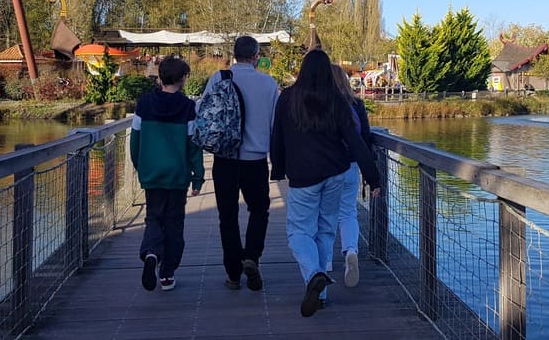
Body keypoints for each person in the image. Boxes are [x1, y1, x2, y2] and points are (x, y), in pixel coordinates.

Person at [270, 50, 381, 317]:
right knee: (325, 231)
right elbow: (356, 141)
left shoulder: (287, 98)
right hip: (335, 173)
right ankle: (320, 295)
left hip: (303, 176)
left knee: (299, 232)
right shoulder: (337, 101)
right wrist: (373, 177)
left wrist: (278, 168)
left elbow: (278, 137)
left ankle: (315, 276)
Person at [200, 35, 279, 291]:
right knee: (259, 210)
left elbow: (204, 114)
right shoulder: (268, 84)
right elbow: (275, 125)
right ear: (256, 56)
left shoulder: (218, 78)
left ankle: (233, 274)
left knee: (227, 216)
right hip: (255, 160)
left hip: (225, 159)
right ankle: (251, 257)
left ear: (234, 54)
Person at [130, 57, 204, 292]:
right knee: (174, 223)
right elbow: (193, 145)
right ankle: (167, 274)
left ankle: (151, 253)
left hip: (152, 173)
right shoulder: (187, 107)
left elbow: (135, 140)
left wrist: (140, 165)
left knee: (153, 217)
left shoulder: (144, 103)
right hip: (177, 175)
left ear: (160, 77)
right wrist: (198, 176)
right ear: (183, 79)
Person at [330, 63, 372, 288]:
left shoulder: (322, 106)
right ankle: (351, 250)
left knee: (324, 214)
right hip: (351, 166)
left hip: (326, 167)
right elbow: (364, 138)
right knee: (348, 212)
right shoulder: (357, 104)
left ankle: (324, 262)